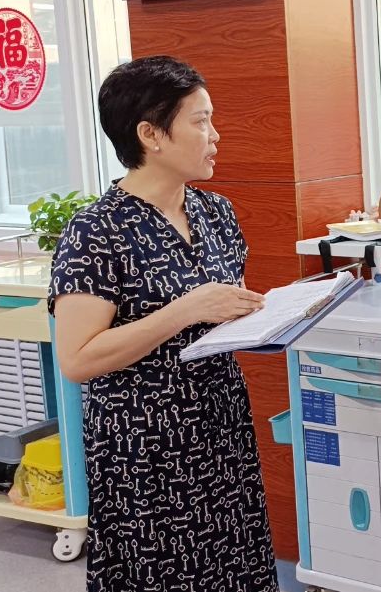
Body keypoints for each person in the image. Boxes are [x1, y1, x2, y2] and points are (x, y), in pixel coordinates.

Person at [48, 56, 278, 592]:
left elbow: (221, 315)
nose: (215, 136)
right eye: (200, 122)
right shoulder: (95, 231)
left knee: (234, 567)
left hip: (220, 429)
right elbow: (77, 359)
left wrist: (268, 321)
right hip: (144, 449)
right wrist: (184, 310)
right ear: (150, 134)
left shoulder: (216, 213)